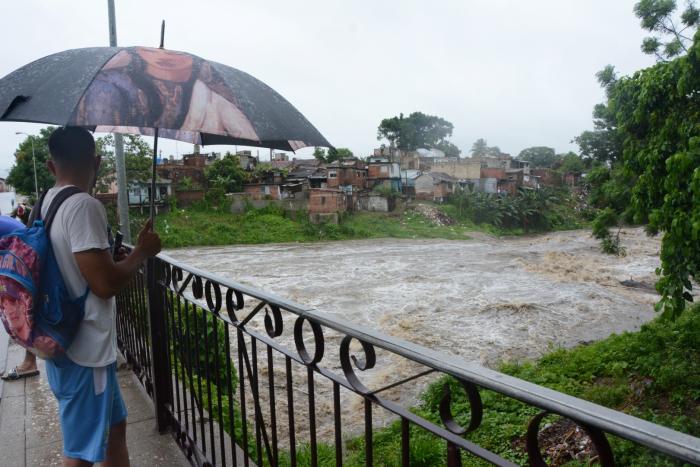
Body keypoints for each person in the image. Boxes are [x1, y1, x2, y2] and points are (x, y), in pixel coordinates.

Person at [39, 126, 161, 466]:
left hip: (62, 336)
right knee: (79, 452)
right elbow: (104, 284)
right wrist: (141, 253)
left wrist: (114, 259)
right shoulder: (83, 206)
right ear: (97, 161)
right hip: (85, 348)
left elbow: (79, 267)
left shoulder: (47, 201)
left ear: (51, 167)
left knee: (115, 428)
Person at [0, 214, 40, 381]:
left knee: (20, 314)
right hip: (23, 255)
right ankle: (30, 361)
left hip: (21, 259)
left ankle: (30, 363)